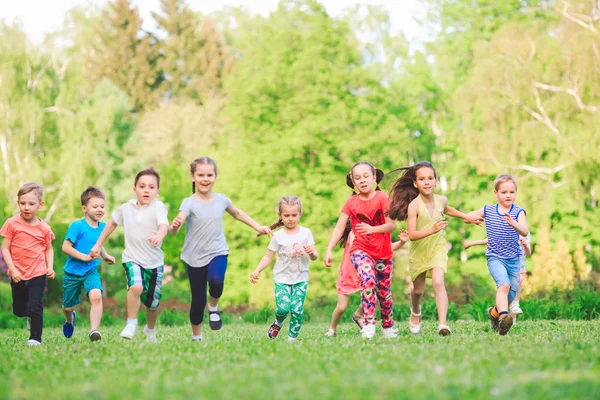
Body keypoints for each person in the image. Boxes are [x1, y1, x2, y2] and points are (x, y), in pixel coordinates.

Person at [170, 157, 272, 341]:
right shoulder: (189, 202)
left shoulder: (221, 200)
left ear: (215, 176)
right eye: (200, 175)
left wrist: (258, 227)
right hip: (194, 257)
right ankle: (196, 335)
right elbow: (176, 225)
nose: (205, 179)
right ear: (193, 176)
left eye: (209, 175)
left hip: (217, 251)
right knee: (198, 300)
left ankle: (214, 307)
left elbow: (238, 213)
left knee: (216, 280)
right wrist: (175, 226)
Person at [387, 161, 482, 336]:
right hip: (419, 251)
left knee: (438, 282)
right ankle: (415, 311)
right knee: (418, 291)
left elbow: (447, 209)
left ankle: (443, 324)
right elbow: (412, 234)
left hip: (437, 247)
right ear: (415, 183)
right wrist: (432, 229)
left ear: (436, 181)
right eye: (422, 179)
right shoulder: (414, 205)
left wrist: (466, 217)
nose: (427, 182)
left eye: (430, 178)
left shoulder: (441, 199)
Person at [90, 168, 169, 342]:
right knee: (136, 287)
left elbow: (164, 226)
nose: (146, 190)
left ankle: (150, 330)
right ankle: (131, 323)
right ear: (135, 189)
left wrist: (158, 236)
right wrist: (98, 245)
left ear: (157, 191)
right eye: (142, 186)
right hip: (132, 258)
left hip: (155, 262)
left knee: (153, 304)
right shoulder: (126, 208)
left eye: (151, 187)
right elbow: (111, 224)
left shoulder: (158, 207)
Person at [324, 161, 397, 339]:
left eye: (366, 176)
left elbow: (392, 225)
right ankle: (369, 323)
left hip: (383, 252)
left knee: (384, 292)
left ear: (374, 177)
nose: (362, 180)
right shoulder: (351, 202)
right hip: (359, 249)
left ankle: (387, 327)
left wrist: (373, 229)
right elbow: (339, 228)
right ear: (353, 182)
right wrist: (329, 249)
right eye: (358, 178)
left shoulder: (382, 198)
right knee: (368, 279)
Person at [466, 174, 529, 335]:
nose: (508, 195)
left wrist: (513, 223)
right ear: (496, 193)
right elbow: (471, 215)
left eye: (512, 192)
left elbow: (525, 230)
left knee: (510, 295)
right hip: (495, 257)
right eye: (504, 192)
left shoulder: (518, 212)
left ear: (516, 192)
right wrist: (469, 218)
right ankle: (503, 318)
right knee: (504, 286)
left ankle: (494, 314)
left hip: (514, 259)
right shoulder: (489, 209)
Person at [250, 196, 317, 341]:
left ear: (300, 214)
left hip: (301, 278)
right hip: (282, 278)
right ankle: (278, 322)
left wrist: (312, 254)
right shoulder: (277, 236)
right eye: (287, 215)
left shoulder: (306, 233)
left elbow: (314, 256)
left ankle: (291, 340)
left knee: (297, 310)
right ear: (280, 216)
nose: (291, 218)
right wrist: (257, 270)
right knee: (283, 309)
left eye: (294, 215)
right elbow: (268, 257)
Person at [324, 229, 409, 337]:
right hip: (348, 273)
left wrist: (402, 242)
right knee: (342, 307)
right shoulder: (355, 232)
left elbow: (388, 248)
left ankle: (358, 315)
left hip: (365, 273)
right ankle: (332, 328)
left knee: (374, 295)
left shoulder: (377, 233)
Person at [0, 183, 55, 346]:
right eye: (23, 203)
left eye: (31, 204)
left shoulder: (44, 228)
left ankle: (35, 338)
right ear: (18, 203)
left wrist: (49, 267)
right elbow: (4, 248)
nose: (26, 207)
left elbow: (48, 249)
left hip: (38, 272)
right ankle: (29, 315)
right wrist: (12, 269)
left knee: (36, 305)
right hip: (17, 274)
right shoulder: (12, 224)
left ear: (40, 205)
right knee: (18, 310)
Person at [61, 187, 115, 342]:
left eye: (102, 206)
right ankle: (70, 319)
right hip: (72, 272)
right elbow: (65, 247)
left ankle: (94, 331)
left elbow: (98, 244)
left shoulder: (103, 227)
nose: (100, 209)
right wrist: (84, 257)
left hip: (90, 271)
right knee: (67, 307)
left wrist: (105, 256)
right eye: (95, 206)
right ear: (84, 208)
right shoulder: (77, 226)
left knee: (96, 296)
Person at [463, 233, 532, 319]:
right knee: (505, 288)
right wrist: (471, 243)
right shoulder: (505, 227)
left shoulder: (525, 233)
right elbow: (489, 241)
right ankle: (508, 313)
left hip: (519, 267)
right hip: (504, 264)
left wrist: (525, 245)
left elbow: (528, 253)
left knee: (514, 290)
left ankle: (502, 313)